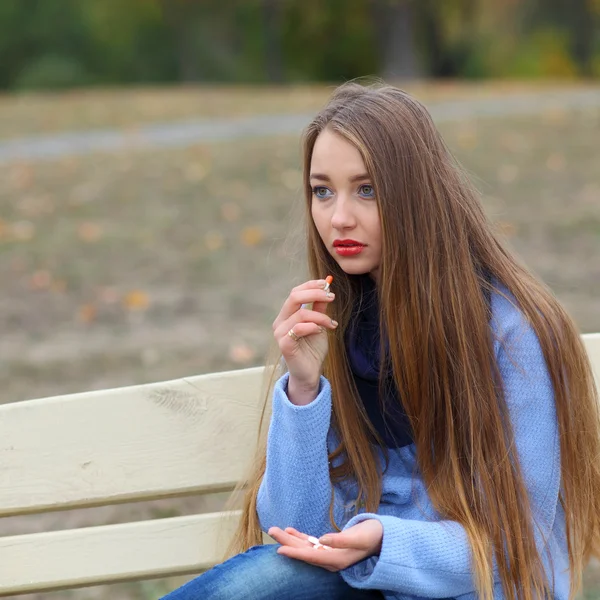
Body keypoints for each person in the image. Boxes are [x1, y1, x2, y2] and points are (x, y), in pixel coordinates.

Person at [161, 81, 600, 600]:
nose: (338, 217)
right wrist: (303, 390)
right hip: (364, 582)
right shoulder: (332, 325)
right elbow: (292, 531)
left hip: (481, 588)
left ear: (416, 195)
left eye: (365, 189)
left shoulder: (510, 332)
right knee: (259, 582)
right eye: (322, 191)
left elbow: (518, 543)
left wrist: (384, 541)